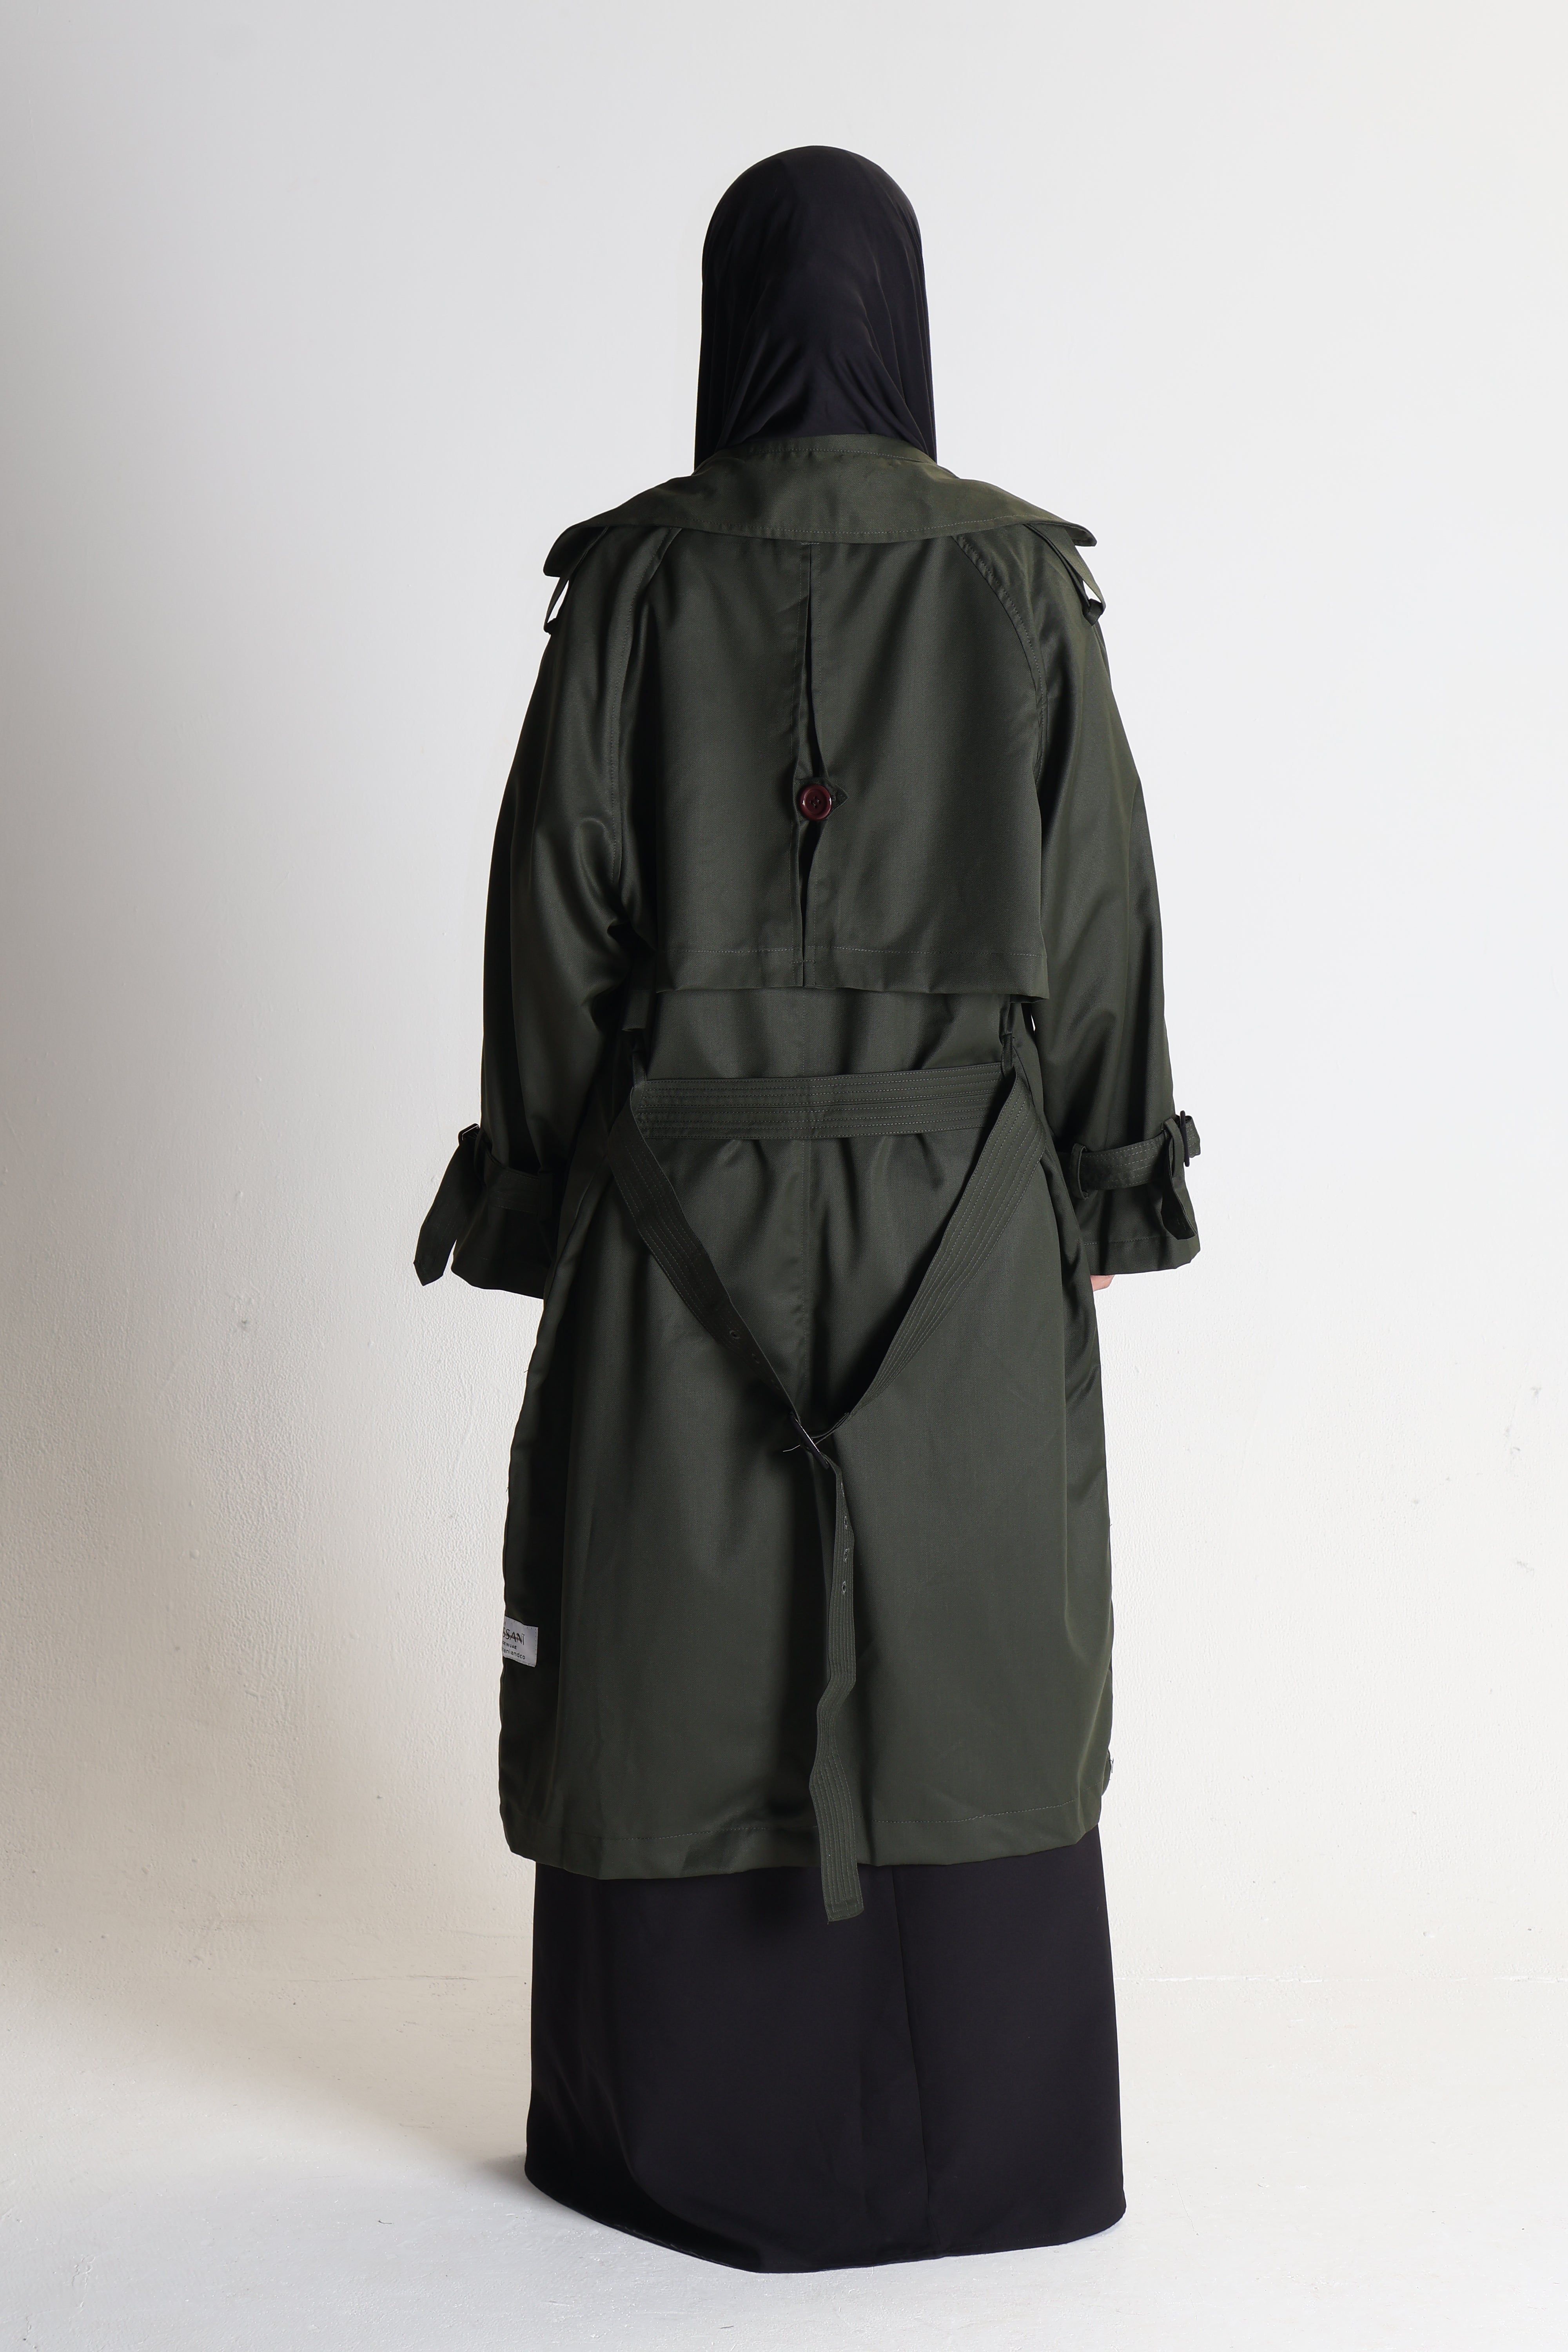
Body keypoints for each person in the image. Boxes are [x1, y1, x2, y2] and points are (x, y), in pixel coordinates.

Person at [416, 145, 1200, 2272]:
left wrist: (548, 1194)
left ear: (729, 320)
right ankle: (990, 2144)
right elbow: (1099, 905)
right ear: (905, 318)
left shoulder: (633, 585)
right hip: (968, 1227)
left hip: (678, 1219)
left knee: (670, 1624)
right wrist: (1106, 1182)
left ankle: (683, 2145)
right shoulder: (1023, 583)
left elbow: (549, 917)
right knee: (974, 1630)